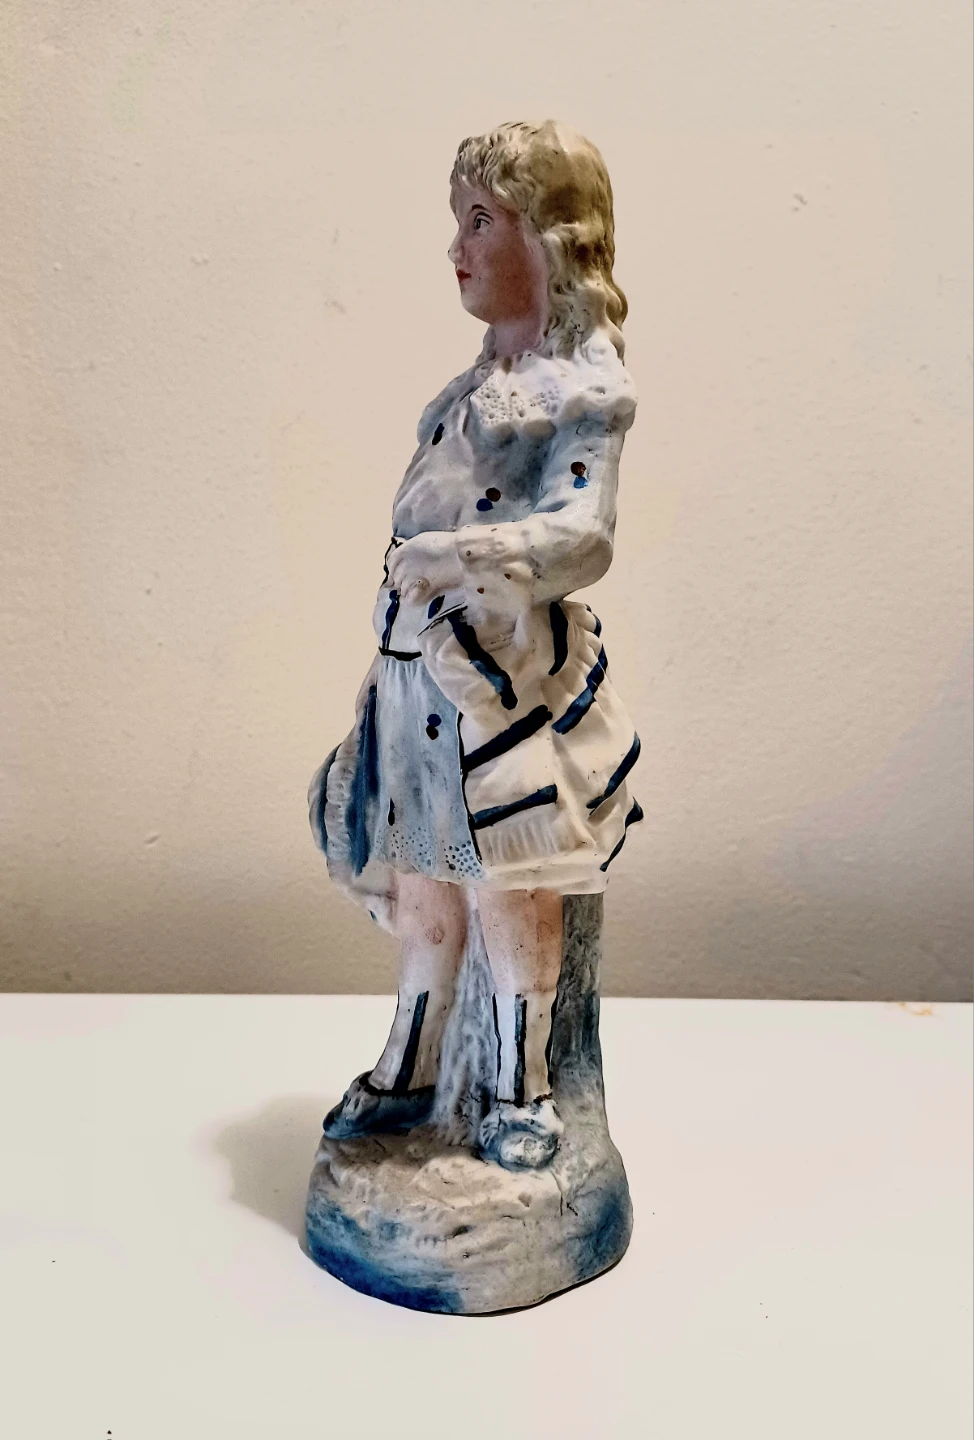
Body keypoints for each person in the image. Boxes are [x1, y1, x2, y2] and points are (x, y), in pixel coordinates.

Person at [308, 120, 642, 1171]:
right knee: (423, 882)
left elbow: (583, 534)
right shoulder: (471, 386)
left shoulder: (578, 389)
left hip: (496, 684)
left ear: (548, 238)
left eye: (480, 221)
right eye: (458, 220)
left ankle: (519, 1088)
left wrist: (461, 556)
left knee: (508, 889)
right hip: (413, 674)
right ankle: (411, 1067)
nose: (455, 247)